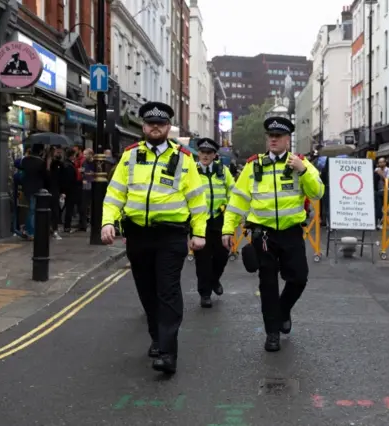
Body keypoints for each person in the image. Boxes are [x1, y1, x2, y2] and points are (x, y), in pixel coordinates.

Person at [101, 101, 208, 374]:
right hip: (138, 235)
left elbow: (197, 199)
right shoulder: (130, 155)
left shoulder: (184, 158)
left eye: (160, 124)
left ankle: (167, 352)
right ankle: (157, 338)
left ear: (168, 127)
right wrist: (107, 222)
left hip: (171, 235)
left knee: (168, 290)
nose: (155, 128)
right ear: (144, 126)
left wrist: (199, 233)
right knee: (147, 291)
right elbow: (115, 193)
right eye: (151, 123)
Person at [221, 116, 324, 352]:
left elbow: (318, 193)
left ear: (288, 139)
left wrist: (304, 171)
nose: (274, 140)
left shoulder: (301, 163)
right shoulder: (254, 165)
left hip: (291, 233)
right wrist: (228, 228)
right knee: (267, 285)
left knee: (298, 278)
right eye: (271, 136)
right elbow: (237, 200)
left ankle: (283, 309)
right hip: (263, 235)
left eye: (279, 136)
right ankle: (272, 332)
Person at [193, 137, 235, 308]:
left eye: (208, 153)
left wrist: (231, 211)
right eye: (202, 152)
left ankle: (214, 279)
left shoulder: (223, 171)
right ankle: (205, 293)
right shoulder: (191, 171)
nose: (205, 155)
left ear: (214, 155)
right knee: (202, 259)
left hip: (219, 218)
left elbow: (233, 193)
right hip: (198, 220)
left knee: (222, 255)